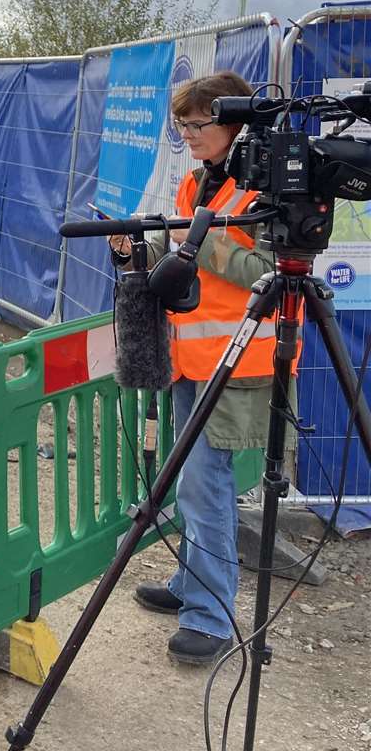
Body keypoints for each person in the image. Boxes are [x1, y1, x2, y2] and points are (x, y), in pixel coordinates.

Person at [110, 71, 291, 666]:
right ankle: (192, 587)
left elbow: (267, 270)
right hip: (194, 360)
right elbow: (184, 263)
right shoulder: (197, 183)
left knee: (206, 488)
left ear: (233, 124)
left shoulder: (261, 192)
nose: (186, 135)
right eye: (181, 125)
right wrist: (143, 250)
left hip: (241, 362)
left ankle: (210, 619)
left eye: (196, 124)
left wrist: (201, 238)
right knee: (189, 480)